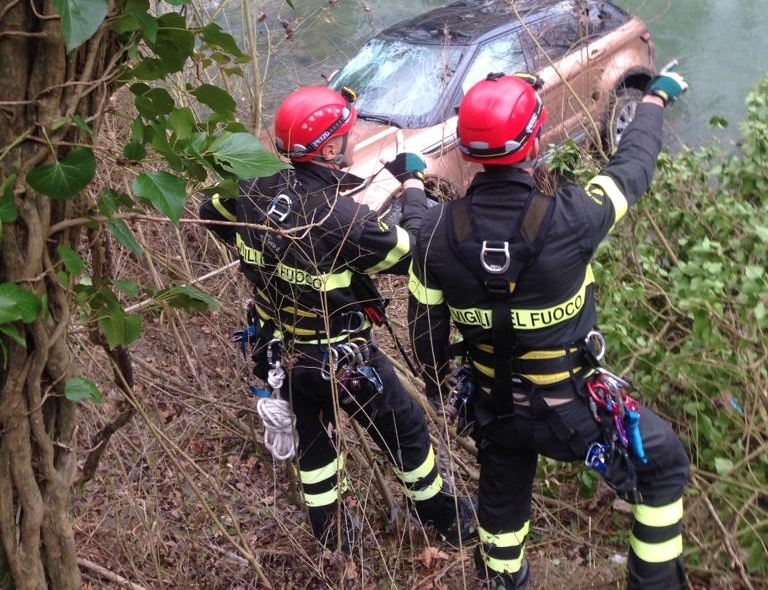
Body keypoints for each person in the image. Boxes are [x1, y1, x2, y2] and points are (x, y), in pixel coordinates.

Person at [408, 67, 691, 589]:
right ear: (534, 141)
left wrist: (438, 386)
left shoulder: (433, 232)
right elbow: (632, 167)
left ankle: (504, 580)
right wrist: (653, 100)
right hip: (573, 411)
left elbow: (426, 335)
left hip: (493, 406)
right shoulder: (573, 216)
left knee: (501, 507)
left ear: (467, 152)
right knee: (665, 464)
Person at [200, 84, 475, 553]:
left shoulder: (253, 187)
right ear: (328, 149)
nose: (355, 136)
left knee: (315, 447)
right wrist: (412, 185)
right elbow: (417, 250)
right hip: (343, 361)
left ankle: (333, 540)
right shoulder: (342, 218)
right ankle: (442, 516)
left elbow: (211, 210)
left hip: (281, 352)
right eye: (349, 132)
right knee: (405, 429)